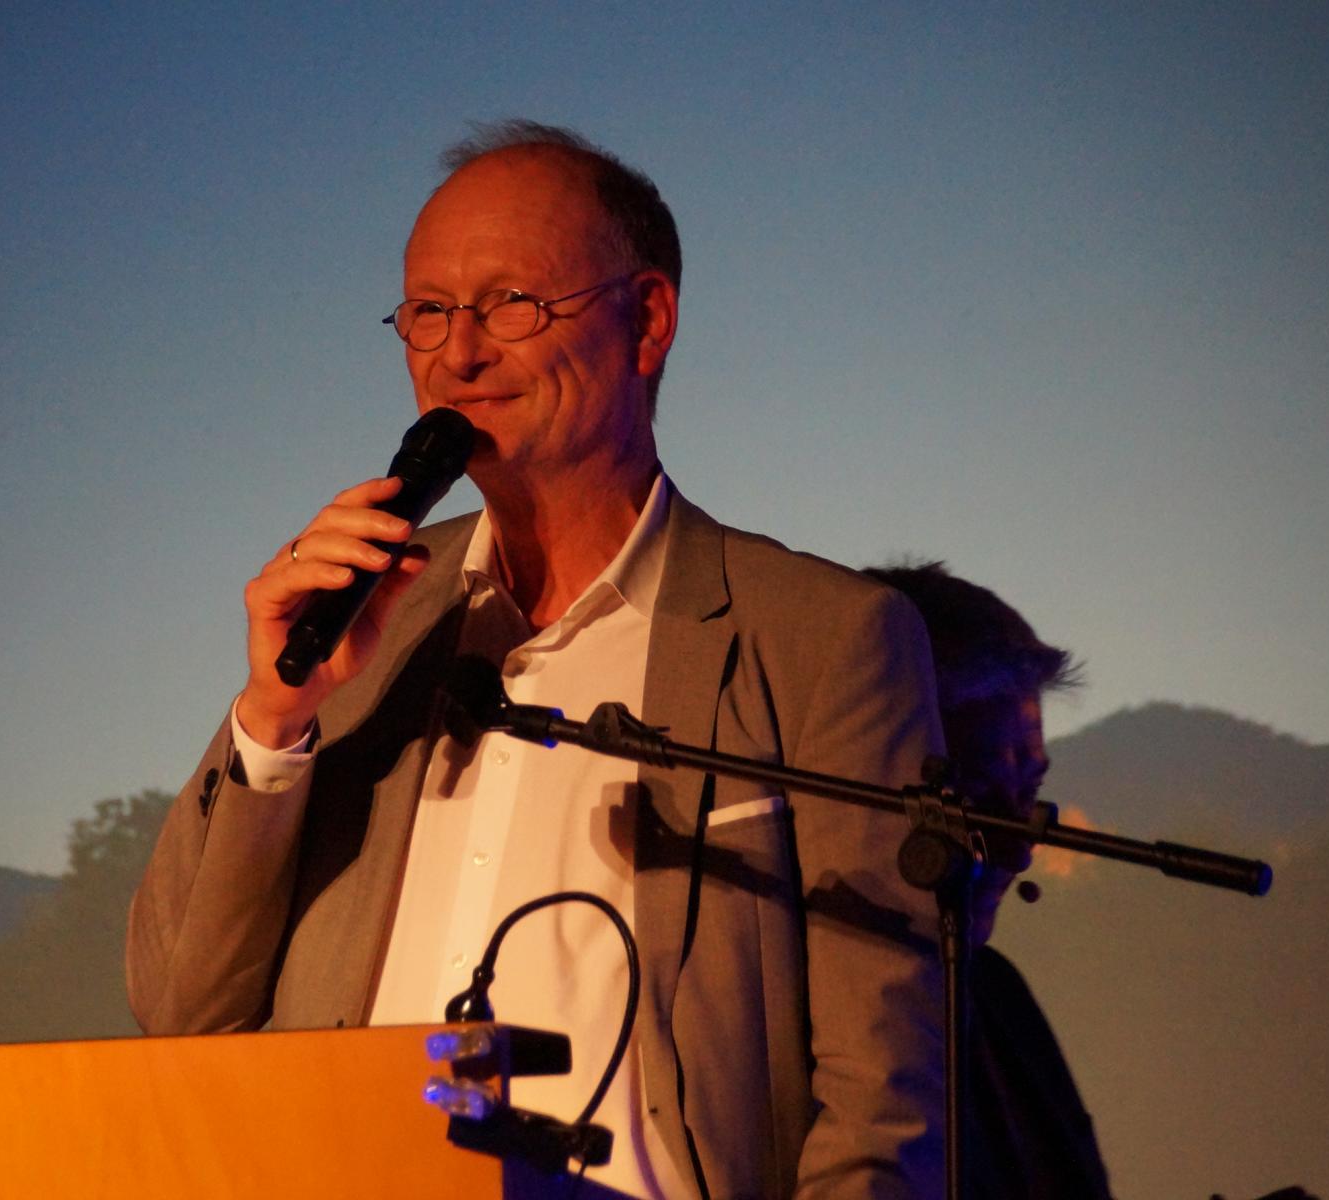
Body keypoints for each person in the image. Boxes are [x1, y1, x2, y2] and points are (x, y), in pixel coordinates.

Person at [128, 120, 947, 1200]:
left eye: (511, 304)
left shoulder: (821, 638)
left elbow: (882, 1099)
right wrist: (275, 719)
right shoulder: (367, 613)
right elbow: (183, 1009)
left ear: (645, 320)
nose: (457, 355)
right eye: (428, 312)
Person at [861, 561, 1110, 1200]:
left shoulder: (998, 993)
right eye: (979, 794)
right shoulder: (790, 1010)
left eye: (1027, 793)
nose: (1018, 849)